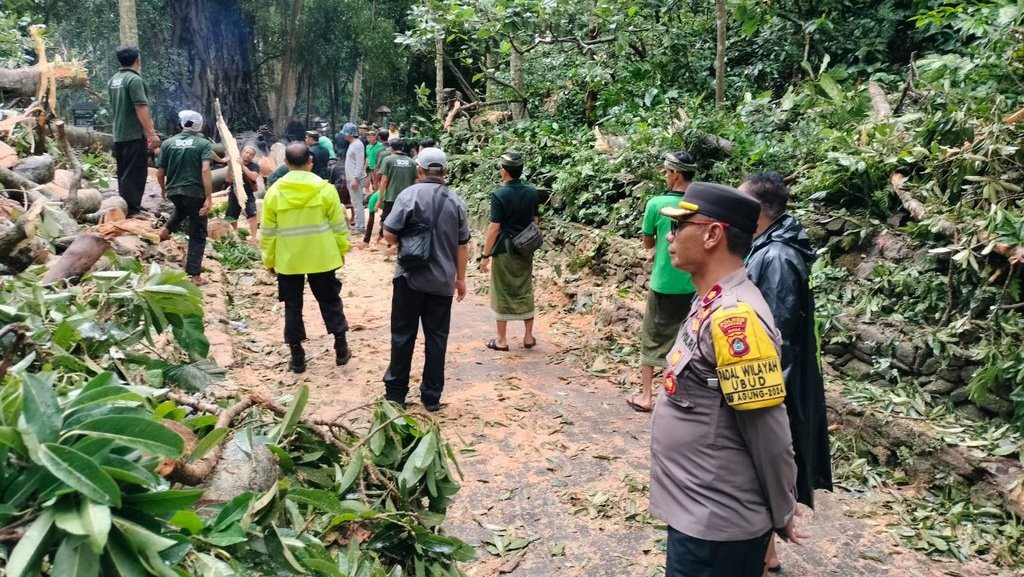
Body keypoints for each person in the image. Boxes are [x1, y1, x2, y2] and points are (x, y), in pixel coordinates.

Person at [651, 182, 803, 577]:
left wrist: (782, 510)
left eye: (679, 225)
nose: (669, 236)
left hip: (716, 527)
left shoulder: (736, 319)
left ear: (712, 234)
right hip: (697, 511)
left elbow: (770, 436)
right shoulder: (710, 300)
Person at [740, 172, 832, 574]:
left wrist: (762, 391)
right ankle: (767, 552)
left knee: (762, 467)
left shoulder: (776, 257)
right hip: (782, 377)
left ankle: (762, 555)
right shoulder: (768, 245)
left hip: (780, 380)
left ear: (760, 210)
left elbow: (775, 334)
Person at [381, 147, 469, 411]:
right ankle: (431, 396)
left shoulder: (408, 195)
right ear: (445, 171)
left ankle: (396, 394)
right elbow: (462, 245)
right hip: (442, 282)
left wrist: (408, 240)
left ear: (419, 170)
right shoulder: (456, 202)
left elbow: (389, 234)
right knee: (437, 339)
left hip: (409, 278)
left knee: (402, 335)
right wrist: (460, 279)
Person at [260, 142, 352, 373]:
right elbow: (338, 226)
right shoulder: (325, 189)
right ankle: (341, 349)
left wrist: (269, 259)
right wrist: (341, 250)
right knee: (330, 301)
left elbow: (268, 232)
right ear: (310, 162)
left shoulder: (274, 193)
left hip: (289, 260)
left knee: (292, 306)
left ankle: (297, 356)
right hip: (322, 257)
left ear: (286, 163)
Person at [626, 151, 699, 413]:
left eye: (667, 172)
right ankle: (677, 395)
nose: (666, 177)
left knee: (653, 338)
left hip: (665, 283)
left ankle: (646, 396)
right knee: (688, 339)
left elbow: (648, 242)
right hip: (694, 284)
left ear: (676, 174)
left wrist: (656, 246)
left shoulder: (657, 204)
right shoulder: (701, 204)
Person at [479, 152, 540, 351]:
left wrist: (485, 255)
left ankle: (502, 340)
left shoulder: (499, 195)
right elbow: (535, 221)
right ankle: (528, 337)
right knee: (525, 288)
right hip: (526, 248)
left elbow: (494, 228)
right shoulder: (532, 192)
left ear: (504, 171)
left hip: (505, 249)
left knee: (502, 290)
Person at [156, 111, 213, 286]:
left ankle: (165, 230)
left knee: (181, 209)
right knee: (198, 232)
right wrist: (209, 197)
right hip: (195, 192)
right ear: (199, 126)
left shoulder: (167, 143)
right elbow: (205, 169)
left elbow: (160, 171)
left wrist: (163, 189)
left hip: (174, 191)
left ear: (182, 124)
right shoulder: (203, 144)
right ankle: (194, 275)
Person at [108, 45, 160, 218]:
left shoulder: (114, 80)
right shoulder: (134, 80)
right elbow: (140, 107)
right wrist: (151, 133)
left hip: (119, 133)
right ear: (137, 60)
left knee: (124, 171)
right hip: (134, 134)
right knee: (135, 172)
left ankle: (127, 206)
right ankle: (132, 210)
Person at [376, 138, 417, 239]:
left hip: (392, 196)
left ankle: (385, 240)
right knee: (405, 220)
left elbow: (384, 180)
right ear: (402, 148)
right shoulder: (411, 162)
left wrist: (379, 199)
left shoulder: (388, 160)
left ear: (391, 148)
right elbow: (416, 181)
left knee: (386, 219)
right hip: (408, 198)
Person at [226, 145, 262, 240]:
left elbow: (253, 176)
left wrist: (242, 166)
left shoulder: (254, 166)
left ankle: (253, 237)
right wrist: (230, 165)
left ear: (253, 157)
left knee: (252, 214)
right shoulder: (234, 163)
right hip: (234, 193)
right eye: (246, 152)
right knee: (231, 216)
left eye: (251, 154)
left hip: (248, 194)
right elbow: (227, 179)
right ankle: (234, 236)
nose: (248, 155)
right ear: (242, 152)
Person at [341, 123, 368, 232]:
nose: (343, 135)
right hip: (351, 177)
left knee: (357, 203)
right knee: (355, 202)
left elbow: (360, 162)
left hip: (355, 178)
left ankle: (360, 227)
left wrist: (355, 178)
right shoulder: (353, 144)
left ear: (349, 134)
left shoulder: (357, 145)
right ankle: (358, 225)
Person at [327, 160, 352, 225]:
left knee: (339, 203)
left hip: (339, 185)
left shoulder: (332, 169)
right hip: (349, 183)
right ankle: (353, 218)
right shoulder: (344, 166)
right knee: (352, 201)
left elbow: (331, 182)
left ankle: (341, 218)